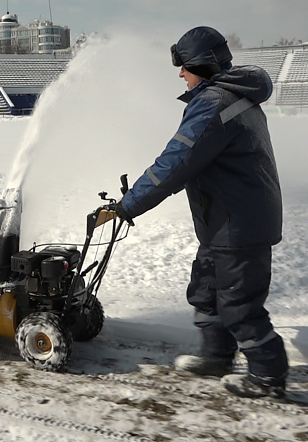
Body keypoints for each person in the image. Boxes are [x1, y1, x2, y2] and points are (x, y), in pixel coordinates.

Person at [114, 26, 289, 399]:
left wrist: (129, 205)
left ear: (203, 65)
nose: (180, 73)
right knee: (207, 292)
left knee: (239, 305)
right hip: (227, 220)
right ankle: (216, 356)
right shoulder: (233, 96)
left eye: (184, 65)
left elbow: (176, 162)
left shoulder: (213, 104)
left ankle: (268, 376)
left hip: (237, 225)